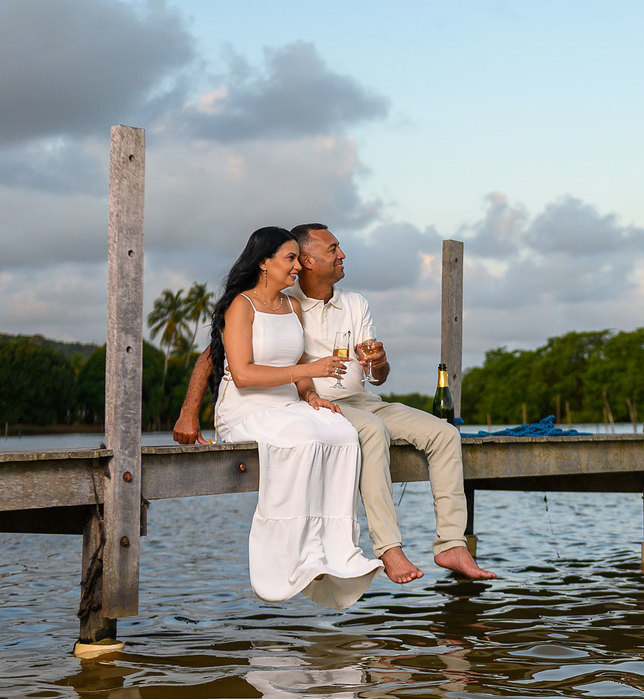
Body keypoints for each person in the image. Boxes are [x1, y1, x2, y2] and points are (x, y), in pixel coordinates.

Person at [175, 223, 496, 584]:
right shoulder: (277, 296)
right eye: (332, 250)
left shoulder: (354, 303)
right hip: (318, 407)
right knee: (370, 433)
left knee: (443, 433)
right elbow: (216, 356)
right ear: (307, 260)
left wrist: (377, 363)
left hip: (362, 398)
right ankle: (385, 546)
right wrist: (189, 413)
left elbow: (378, 377)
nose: (342, 255)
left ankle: (451, 543)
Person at [209, 226, 382, 608]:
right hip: (246, 408)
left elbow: (298, 362)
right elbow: (243, 374)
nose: (296, 268)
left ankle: (338, 551)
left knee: (340, 432)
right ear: (264, 264)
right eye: (289, 259)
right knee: (304, 437)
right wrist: (308, 374)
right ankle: (291, 557)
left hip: (288, 405)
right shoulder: (242, 306)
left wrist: (312, 395)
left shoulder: (293, 306)